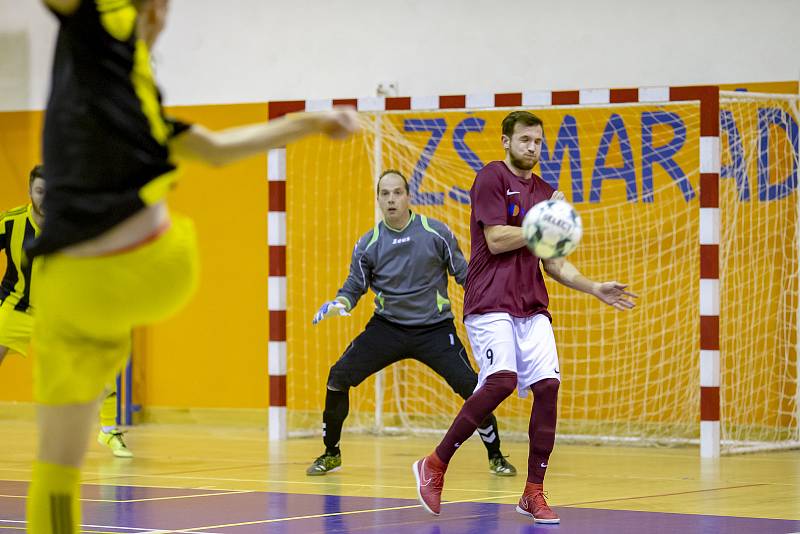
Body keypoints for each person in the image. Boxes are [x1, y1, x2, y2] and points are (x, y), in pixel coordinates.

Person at [27, 1, 359, 532]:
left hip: (71, 284)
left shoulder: (144, 110)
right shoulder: (95, 30)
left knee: (57, 467)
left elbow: (220, 147)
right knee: (60, 463)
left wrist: (311, 120)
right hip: (149, 270)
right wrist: (313, 122)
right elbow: (221, 151)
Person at [412, 111, 638, 523]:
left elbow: (552, 262)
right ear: (506, 141)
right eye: (524, 140)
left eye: (537, 141)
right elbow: (497, 239)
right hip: (489, 302)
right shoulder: (492, 177)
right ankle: (435, 463)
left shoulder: (547, 191)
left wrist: (594, 287)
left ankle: (533, 491)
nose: (532, 148)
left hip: (531, 305)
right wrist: (543, 220)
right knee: (501, 380)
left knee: (549, 386)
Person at [307, 170, 517, 477]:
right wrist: (340, 303)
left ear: (408, 196)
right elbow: (354, 286)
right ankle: (331, 452)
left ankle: (496, 455)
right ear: (378, 199)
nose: (391, 199)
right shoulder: (368, 244)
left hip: (434, 329)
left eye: (397, 192)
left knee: (473, 389)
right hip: (387, 328)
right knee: (337, 377)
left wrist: (495, 303)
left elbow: (465, 275)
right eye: (385, 194)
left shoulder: (436, 233)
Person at [0, 166, 134, 459]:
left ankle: (109, 431)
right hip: (16, 305)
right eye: (39, 191)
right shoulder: (10, 223)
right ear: (29, 192)